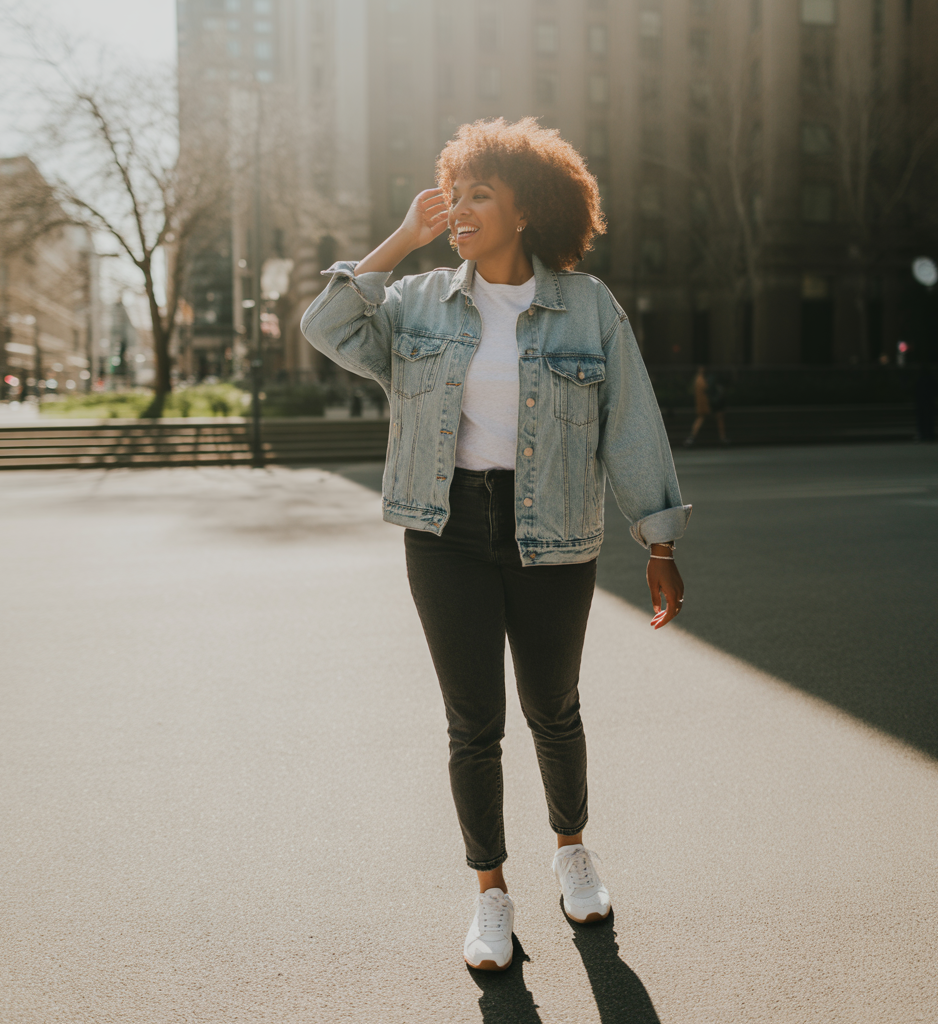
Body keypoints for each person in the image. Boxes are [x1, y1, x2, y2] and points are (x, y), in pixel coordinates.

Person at [301, 118, 691, 972]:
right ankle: (491, 895)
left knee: (554, 708)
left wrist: (658, 539)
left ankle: (572, 850)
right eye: (456, 190)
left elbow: (631, 425)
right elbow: (328, 325)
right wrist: (407, 235)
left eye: (482, 192)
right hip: (445, 530)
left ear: (528, 208)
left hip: (554, 530)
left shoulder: (587, 305)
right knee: (472, 723)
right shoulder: (418, 300)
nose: (462, 206)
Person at [684, 365, 728, 446]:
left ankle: (691, 438)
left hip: (705, 404)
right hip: (706, 404)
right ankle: (722, 438)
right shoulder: (701, 379)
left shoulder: (699, 379)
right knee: (717, 418)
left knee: (714, 418)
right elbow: (706, 390)